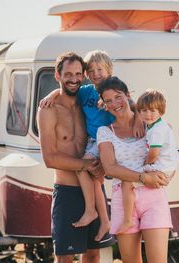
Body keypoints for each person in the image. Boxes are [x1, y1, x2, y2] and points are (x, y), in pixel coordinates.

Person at [37, 51, 114, 263]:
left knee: (92, 259)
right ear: (57, 75)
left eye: (78, 74)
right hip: (68, 193)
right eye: (68, 74)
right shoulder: (48, 109)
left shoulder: (87, 100)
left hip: (94, 187)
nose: (74, 79)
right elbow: (49, 158)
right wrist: (84, 165)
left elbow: (118, 100)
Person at [40, 50, 144, 241]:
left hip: (106, 138)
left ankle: (91, 211)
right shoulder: (86, 91)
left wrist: (137, 120)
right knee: (94, 179)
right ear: (86, 74)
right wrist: (54, 93)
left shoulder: (113, 90)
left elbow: (133, 105)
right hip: (93, 140)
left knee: (82, 168)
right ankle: (104, 219)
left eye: (100, 69)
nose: (96, 73)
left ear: (109, 71)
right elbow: (66, 88)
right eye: (91, 70)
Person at [97, 76, 174, 263]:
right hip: (124, 198)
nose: (114, 103)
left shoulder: (151, 121)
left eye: (118, 97)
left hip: (153, 198)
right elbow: (109, 168)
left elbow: (170, 146)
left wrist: (169, 175)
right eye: (108, 100)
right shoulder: (104, 132)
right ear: (104, 104)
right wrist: (142, 177)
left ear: (127, 95)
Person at [119, 89, 179, 234]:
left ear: (161, 111)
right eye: (144, 111)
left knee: (126, 182)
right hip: (169, 164)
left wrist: (145, 164)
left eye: (152, 111)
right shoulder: (158, 124)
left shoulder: (156, 130)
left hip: (161, 166)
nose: (148, 114)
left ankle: (128, 220)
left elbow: (153, 153)